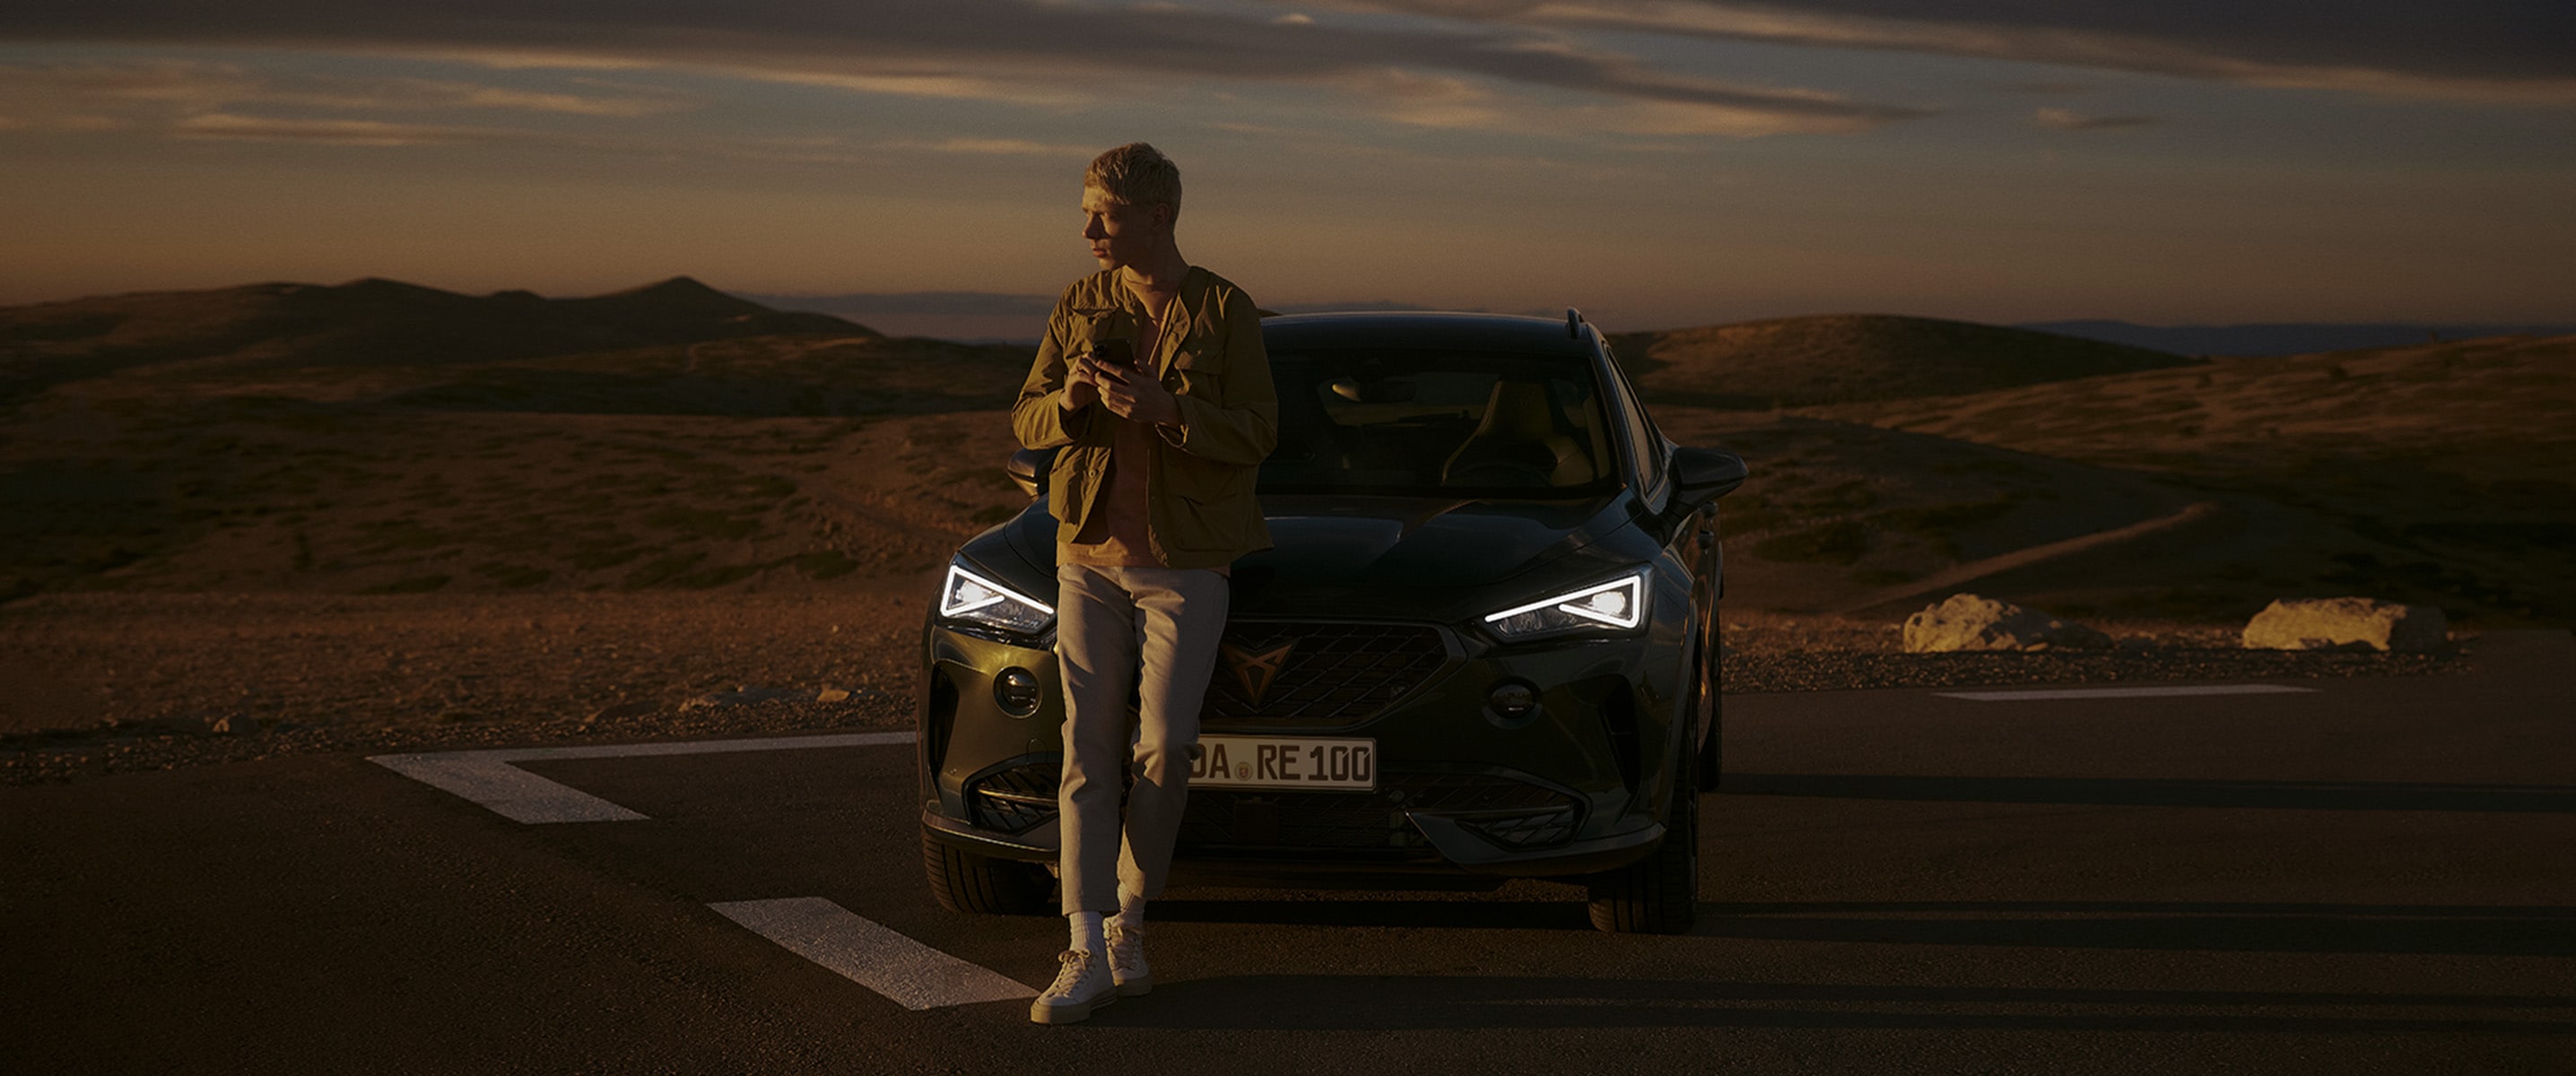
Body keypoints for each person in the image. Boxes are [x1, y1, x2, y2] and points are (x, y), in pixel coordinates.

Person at [1010, 143, 1277, 1025]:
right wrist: (1076, 402)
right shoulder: (1079, 303)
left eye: (1107, 214)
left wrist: (1173, 415)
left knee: (1164, 744)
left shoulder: (1223, 307)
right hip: (1085, 553)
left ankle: (1129, 920)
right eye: (1087, 211)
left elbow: (1257, 434)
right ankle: (1083, 946)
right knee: (1084, 748)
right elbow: (1028, 415)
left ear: (1157, 216)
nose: (1089, 228)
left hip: (1188, 562)